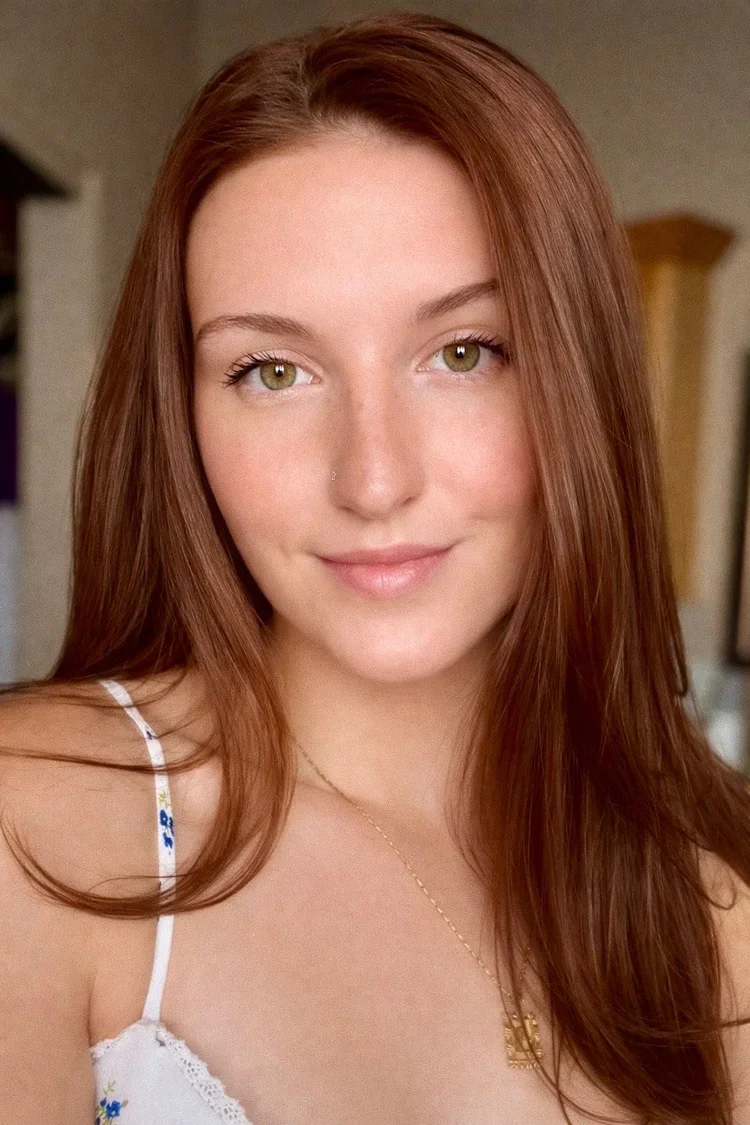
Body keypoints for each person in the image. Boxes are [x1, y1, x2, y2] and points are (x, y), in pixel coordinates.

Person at [1, 10, 749, 1124]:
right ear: (181, 418)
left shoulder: (714, 894)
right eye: (271, 370)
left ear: (576, 383)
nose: (373, 478)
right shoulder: (40, 829)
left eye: (463, 353)